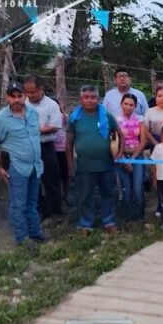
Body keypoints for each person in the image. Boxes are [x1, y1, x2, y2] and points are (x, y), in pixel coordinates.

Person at [0, 81, 46, 245]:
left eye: (20, 96)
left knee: (32, 203)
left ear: (25, 96)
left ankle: (35, 233)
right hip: (17, 167)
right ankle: (22, 238)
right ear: (7, 98)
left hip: (35, 166)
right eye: (13, 96)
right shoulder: (0, 119)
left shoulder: (33, 113)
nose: (17, 100)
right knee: (18, 204)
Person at [65, 85, 120, 236]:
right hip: (85, 165)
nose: (89, 100)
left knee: (108, 193)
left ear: (98, 99)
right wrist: (70, 166)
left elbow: (118, 134)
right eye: (86, 97)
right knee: (85, 196)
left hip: (106, 164)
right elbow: (68, 144)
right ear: (81, 99)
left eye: (93, 97)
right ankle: (85, 223)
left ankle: (109, 221)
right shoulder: (75, 118)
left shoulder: (106, 116)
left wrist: (118, 153)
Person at [23, 75, 63, 219]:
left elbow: (55, 126)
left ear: (41, 89)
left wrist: (36, 130)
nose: (29, 95)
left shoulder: (51, 105)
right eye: (27, 92)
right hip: (28, 147)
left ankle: (55, 211)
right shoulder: (23, 103)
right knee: (32, 179)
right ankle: (38, 210)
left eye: (32, 92)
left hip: (45, 146)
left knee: (50, 179)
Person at [116, 93, 149, 221]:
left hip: (137, 156)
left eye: (131, 105)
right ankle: (127, 217)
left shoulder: (140, 120)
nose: (128, 107)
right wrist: (124, 158)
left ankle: (140, 216)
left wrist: (132, 159)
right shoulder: (116, 121)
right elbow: (115, 142)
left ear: (135, 106)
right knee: (126, 188)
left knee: (137, 187)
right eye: (126, 104)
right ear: (121, 104)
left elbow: (143, 142)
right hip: (122, 156)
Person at [54, 110, 70, 204]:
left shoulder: (63, 116)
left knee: (64, 174)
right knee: (57, 175)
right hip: (53, 149)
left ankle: (65, 195)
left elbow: (68, 121)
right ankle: (61, 195)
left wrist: (63, 112)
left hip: (63, 149)